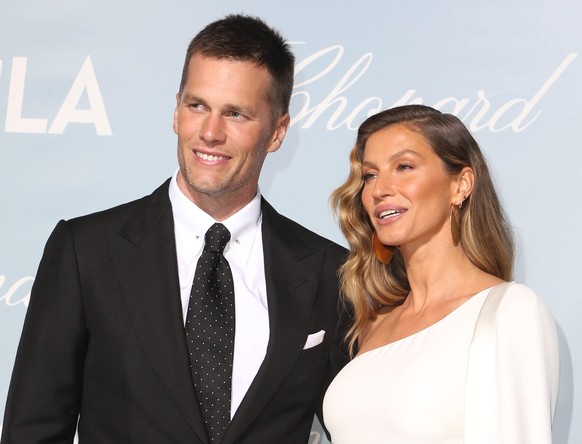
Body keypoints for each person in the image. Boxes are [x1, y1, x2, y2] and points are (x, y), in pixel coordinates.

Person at [2, 14, 347, 444]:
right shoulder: (86, 252)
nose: (209, 132)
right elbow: (32, 431)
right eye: (197, 105)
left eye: (236, 114)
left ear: (277, 132)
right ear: (176, 110)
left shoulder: (331, 272)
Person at [323, 105, 559, 443]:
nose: (378, 189)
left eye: (403, 167)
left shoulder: (508, 311)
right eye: (370, 174)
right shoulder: (371, 323)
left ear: (461, 184)